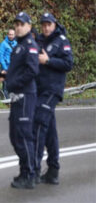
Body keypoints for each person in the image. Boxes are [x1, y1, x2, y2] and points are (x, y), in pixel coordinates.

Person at [33, 12, 73, 185]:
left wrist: (48, 61)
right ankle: (53, 171)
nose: (46, 27)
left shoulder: (61, 41)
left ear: (54, 25)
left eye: (49, 24)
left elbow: (68, 64)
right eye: (43, 25)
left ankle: (33, 170)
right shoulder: (39, 41)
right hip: (39, 90)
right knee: (50, 131)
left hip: (52, 90)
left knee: (39, 123)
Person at [4, 11, 39, 189]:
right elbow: (18, 70)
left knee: (24, 135)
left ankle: (30, 174)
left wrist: (14, 82)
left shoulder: (30, 45)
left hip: (25, 96)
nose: (18, 27)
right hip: (16, 96)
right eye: (16, 24)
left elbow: (32, 71)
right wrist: (6, 76)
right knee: (15, 136)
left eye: (21, 24)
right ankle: (24, 171)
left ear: (29, 26)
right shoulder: (19, 46)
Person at [0, 28, 18, 99]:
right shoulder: (3, 44)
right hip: (5, 67)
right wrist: (5, 68)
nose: (11, 36)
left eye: (12, 35)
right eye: (10, 34)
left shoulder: (16, 43)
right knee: (6, 84)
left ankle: (11, 98)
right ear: (7, 35)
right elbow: (0, 57)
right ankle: (6, 99)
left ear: (14, 35)